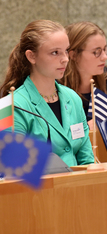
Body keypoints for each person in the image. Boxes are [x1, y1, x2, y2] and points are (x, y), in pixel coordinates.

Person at [0, 20, 94, 167]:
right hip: (38, 189)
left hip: (77, 187)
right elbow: (12, 169)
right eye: (55, 53)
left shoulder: (73, 98)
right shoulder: (9, 107)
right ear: (31, 57)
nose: (65, 59)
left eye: (66, 51)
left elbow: (87, 159)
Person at [61, 21, 107, 128]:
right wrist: (86, 128)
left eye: (104, 49)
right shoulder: (57, 89)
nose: (104, 57)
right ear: (74, 55)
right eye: (96, 52)